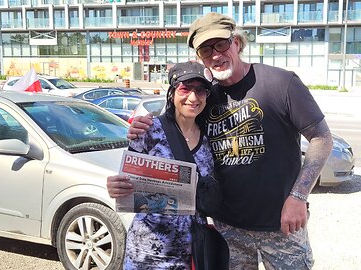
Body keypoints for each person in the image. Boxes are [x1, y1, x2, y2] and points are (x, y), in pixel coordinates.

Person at [127, 12, 333, 270]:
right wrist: (145, 124)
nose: (215, 55)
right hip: (228, 230)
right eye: (205, 49)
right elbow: (179, 124)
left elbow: (322, 138)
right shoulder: (205, 94)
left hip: (282, 226)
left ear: (237, 43)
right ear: (200, 57)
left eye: (221, 44)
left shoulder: (281, 82)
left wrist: (299, 196)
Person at [106, 61, 216, 269]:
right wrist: (116, 188)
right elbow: (130, 184)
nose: (193, 97)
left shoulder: (209, 140)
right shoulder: (149, 130)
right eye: (185, 88)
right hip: (146, 253)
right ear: (173, 93)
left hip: (191, 252)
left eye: (200, 91)